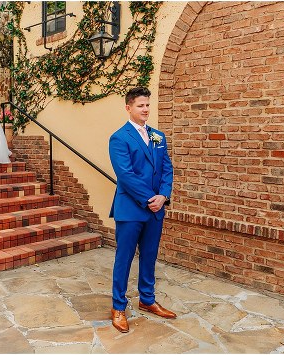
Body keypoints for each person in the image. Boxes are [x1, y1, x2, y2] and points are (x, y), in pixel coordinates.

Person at [107, 87, 175, 333]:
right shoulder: (119, 138)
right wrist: (150, 199)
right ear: (128, 108)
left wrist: (164, 196)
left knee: (149, 256)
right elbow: (125, 175)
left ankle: (147, 300)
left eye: (147, 105)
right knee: (123, 259)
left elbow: (167, 168)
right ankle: (118, 307)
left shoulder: (158, 136)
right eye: (140, 106)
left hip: (156, 209)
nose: (145, 109)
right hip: (131, 209)